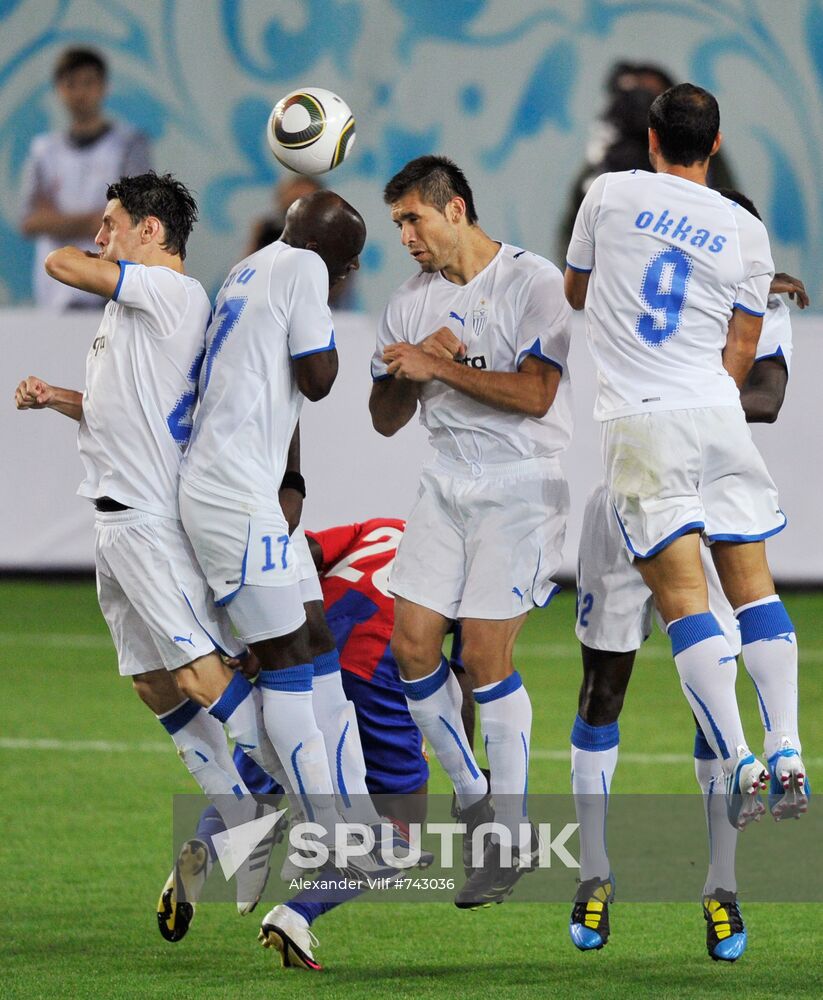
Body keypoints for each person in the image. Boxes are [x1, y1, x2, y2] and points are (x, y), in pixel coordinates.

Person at [564, 85, 807, 942]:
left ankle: (732, 827)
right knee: (745, 599)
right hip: (707, 424)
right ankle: (784, 747)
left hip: (644, 438)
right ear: (717, 143)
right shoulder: (746, 235)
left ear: (651, 138)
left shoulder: (609, 193)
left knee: (686, 615)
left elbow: (575, 290)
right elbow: (745, 362)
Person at [14, 171, 273, 913]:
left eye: (111, 222)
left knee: (198, 676)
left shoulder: (170, 292)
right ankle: (240, 812)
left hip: (148, 519)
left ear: (149, 231)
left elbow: (61, 263)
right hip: (114, 520)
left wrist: (78, 254)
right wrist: (58, 398)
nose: (100, 236)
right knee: (155, 685)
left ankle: (277, 801)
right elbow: (122, 409)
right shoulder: (142, 308)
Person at [370, 155, 573, 907]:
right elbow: (385, 419)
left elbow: (537, 393)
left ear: (454, 210)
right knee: (411, 648)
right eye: (397, 225)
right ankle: (473, 791)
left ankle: (508, 837)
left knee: (485, 655)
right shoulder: (405, 303)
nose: (405, 237)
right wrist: (404, 374)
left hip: (522, 483)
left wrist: (442, 366)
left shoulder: (530, 281)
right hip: (444, 481)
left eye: (411, 220)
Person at [176, 191, 388, 878]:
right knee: (291, 666)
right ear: (342, 264)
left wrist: (292, 479)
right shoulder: (303, 272)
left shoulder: (251, 266)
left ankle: (357, 819)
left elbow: (277, 383)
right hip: (231, 498)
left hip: (249, 493)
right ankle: (326, 833)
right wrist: (326, 291)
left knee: (317, 644)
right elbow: (318, 378)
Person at [159, 518, 451, 973]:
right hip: (379, 680)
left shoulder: (381, 528)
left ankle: (203, 848)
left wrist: (260, 638)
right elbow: (468, 668)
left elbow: (302, 554)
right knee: (396, 833)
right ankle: (297, 913)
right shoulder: (464, 559)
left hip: (300, 656)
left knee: (262, 773)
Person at [557, 61, 735, 261]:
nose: (638, 104)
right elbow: (575, 230)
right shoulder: (606, 155)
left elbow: (727, 210)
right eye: (630, 96)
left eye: (651, 97)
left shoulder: (696, 144)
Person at [19, 48, 152, 310]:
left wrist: (57, 221)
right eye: (71, 84)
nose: (80, 93)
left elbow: (136, 217)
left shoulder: (128, 144)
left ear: (104, 87)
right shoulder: (43, 151)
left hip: (111, 284)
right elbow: (29, 221)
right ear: (59, 89)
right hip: (55, 290)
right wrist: (99, 220)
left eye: (88, 83)